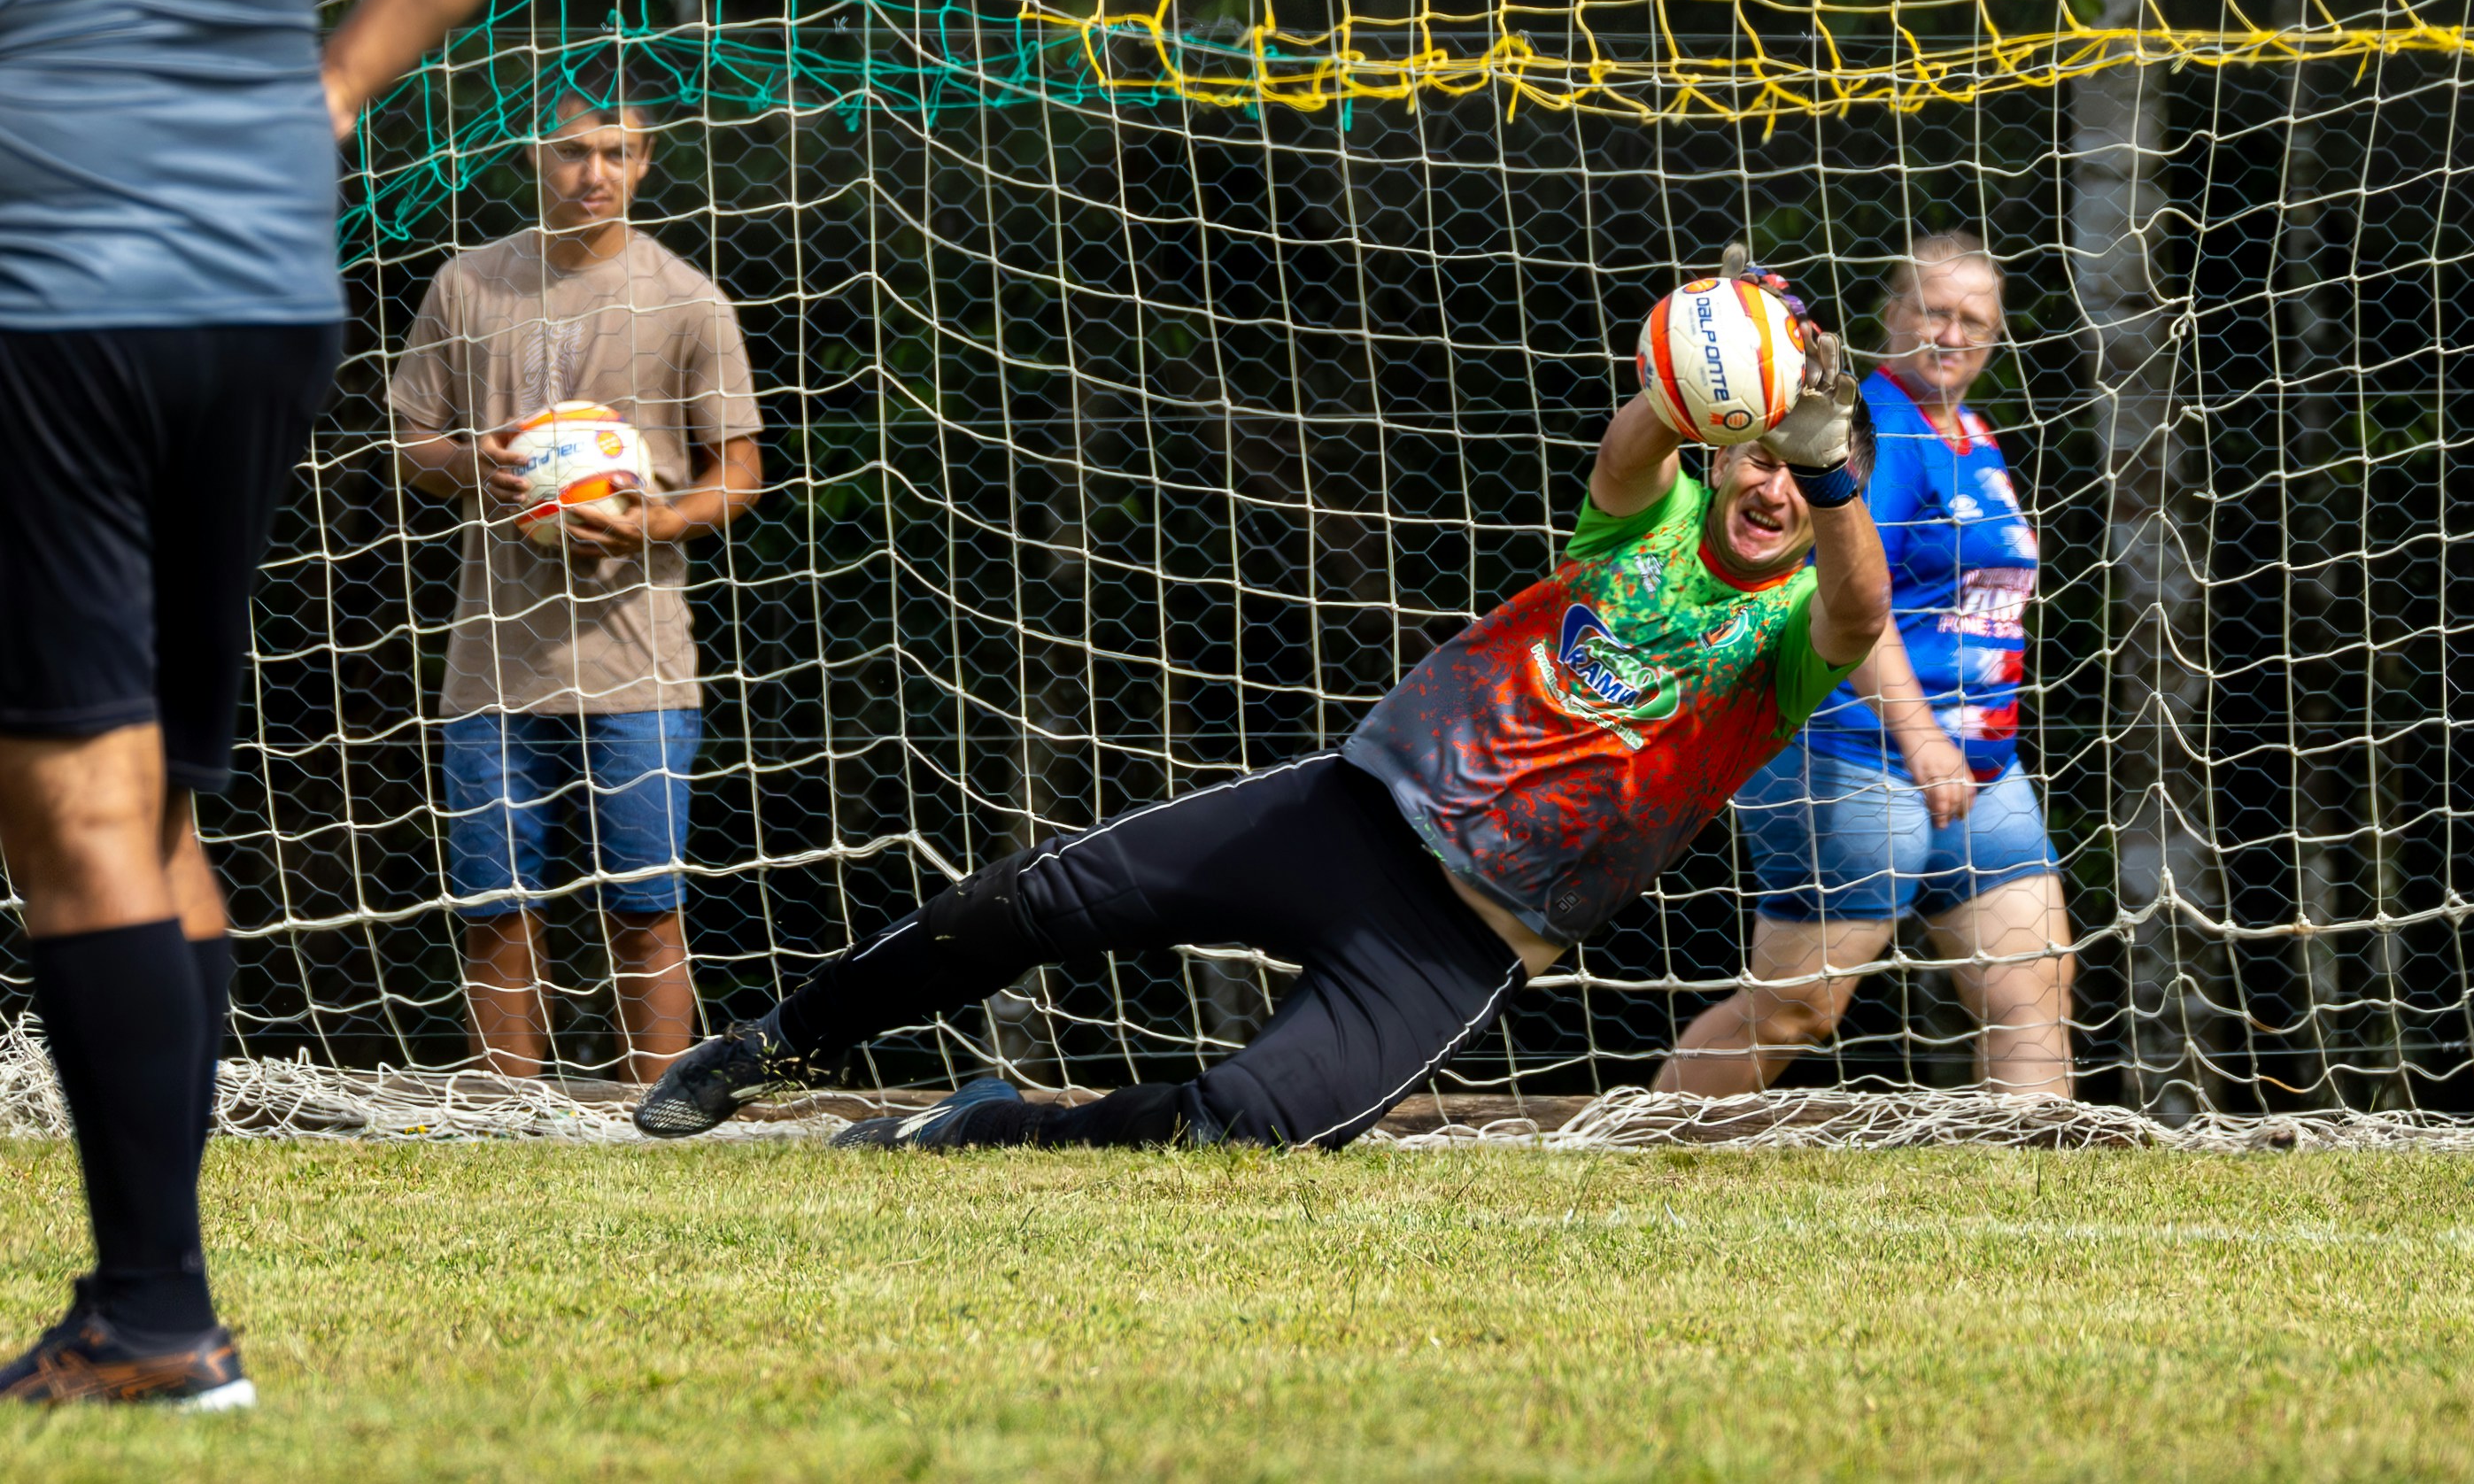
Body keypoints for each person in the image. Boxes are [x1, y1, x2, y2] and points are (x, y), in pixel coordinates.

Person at [630, 251, 1890, 1151]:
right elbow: (1632, 447)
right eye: (1756, 457)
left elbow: (1859, 610)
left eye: (1798, 476)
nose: (1770, 487)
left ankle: (978, 1127)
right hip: (1350, 815)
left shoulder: (1794, 632)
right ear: (1723, 448)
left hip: (1463, 945)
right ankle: (774, 1043)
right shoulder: (1650, 518)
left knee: (1249, 1127)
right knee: (1032, 898)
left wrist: (1828, 462)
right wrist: (1713, 345)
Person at [0, 0, 560, 1409]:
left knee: (75, 802)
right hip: (257, 277)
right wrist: (337, 83)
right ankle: (139, 1297)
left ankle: (157, 1319)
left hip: (45, 278)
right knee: (151, 805)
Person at [392, 72, 764, 1085]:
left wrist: (654, 520)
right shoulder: (468, 285)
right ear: (534, 154)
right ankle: (508, 1121)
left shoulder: (686, 298)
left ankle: (661, 1114)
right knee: (494, 909)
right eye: (572, 150)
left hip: (636, 662)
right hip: (494, 661)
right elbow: (410, 441)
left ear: (644, 162)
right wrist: (472, 461)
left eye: (615, 151)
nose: (592, 171)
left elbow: (739, 467)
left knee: (645, 908)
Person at [1654, 233, 2074, 1097]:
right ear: (1890, 314)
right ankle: (1637, 1154)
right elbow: (1846, 593)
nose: (1949, 334)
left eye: (1972, 320)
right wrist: (1921, 738)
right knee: (1795, 1010)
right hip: (1854, 751)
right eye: (1932, 311)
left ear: (1995, 336)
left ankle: (2042, 1177)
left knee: (2033, 990)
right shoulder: (1873, 427)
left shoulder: (1970, 435)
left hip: (1981, 765)